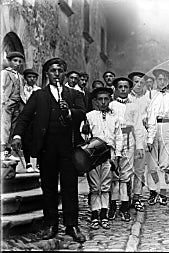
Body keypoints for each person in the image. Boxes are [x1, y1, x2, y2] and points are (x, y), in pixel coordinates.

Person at [11, 57, 86, 242]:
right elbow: (25, 117)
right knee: (49, 187)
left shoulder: (73, 94)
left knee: (70, 186)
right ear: (47, 74)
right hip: (47, 149)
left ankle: (72, 225)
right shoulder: (39, 96)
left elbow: (83, 112)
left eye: (60, 71)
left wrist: (69, 112)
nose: (57, 74)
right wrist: (17, 135)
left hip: (68, 147)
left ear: (64, 73)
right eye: (53, 71)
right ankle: (51, 224)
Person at [81, 86, 123, 230]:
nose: (103, 102)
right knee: (94, 186)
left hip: (108, 154)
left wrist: (117, 155)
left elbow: (119, 137)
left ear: (110, 100)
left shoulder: (114, 118)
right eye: (100, 99)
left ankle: (103, 214)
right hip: (93, 154)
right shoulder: (89, 116)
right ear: (95, 101)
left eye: (106, 99)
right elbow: (84, 136)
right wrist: (85, 133)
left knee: (105, 185)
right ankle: (94, 214)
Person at [108, 77, 144, 221]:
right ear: (116, 90)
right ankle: (112, 206)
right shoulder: (111, 105)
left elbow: (138, 127)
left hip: (129, 140)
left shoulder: (134, 106)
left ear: (129, 89)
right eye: (120, 87)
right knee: (114, 173)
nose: (123, 90)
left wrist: (140, 146)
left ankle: (124, 206)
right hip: (114, 141)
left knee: (126, 174)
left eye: (125, 87)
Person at [146, 69, 169, 205]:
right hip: (154, 126)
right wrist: (149, 137)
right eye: (159, 79)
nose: (162, 82)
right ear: (156, 82)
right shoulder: (152, 95)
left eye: (164, 80)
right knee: (153, 163)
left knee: (165, 162)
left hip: (167, 127)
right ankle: (153, 191)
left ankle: (163, 192)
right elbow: (149, 115)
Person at [127, 71, 150, 211]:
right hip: (128, 138)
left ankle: (137, 197)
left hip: (142, 137)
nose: (138, 85)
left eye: (141, 82)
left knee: (139, 169)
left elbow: (151, 120)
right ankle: (125, 198)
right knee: (127, 168)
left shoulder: (147, 100)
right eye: (136, 82)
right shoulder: (126, 99)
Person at [1, 51, 24, 150]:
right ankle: (3, 144)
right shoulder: (5, 73)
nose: (17, 64)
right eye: (15, 61)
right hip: (8, 102)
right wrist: (3, 101)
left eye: (19, 61)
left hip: (17, 103)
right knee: (5, 124)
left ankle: (10, 147)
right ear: (9, 61)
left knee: (15, 124)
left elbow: (22, 91)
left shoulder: (20, 76)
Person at [20, 68, 41, 172]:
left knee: (37, 139)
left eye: (34, 77)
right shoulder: (22, 90)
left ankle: (37, 164)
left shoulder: (39, 90)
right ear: (25, 78)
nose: (32, 79)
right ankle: (28, 163)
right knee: (26, 140)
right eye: (29, 77)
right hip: (26, 118)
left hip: (36, 118)